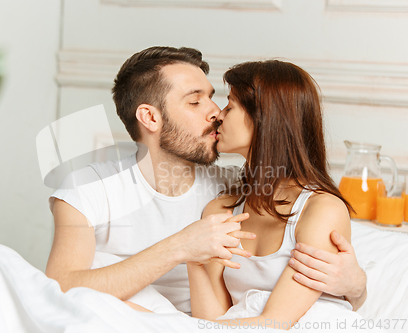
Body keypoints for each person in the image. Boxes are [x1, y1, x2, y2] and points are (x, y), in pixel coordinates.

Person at [45, 47, 367, 316]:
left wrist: (356, 287)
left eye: (217, 99)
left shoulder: (228, 191)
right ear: (151, 117)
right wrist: (180, 247)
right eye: (195, 101)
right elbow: (58, 290)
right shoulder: (89, 188)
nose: (215, 112)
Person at [187, 60, 366, 328]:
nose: (219, 116)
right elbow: (212, 321)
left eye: (230, 105)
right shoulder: (220, 210)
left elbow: (274, 323)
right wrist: (193, 259)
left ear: (265, 119)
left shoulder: (320, 210)